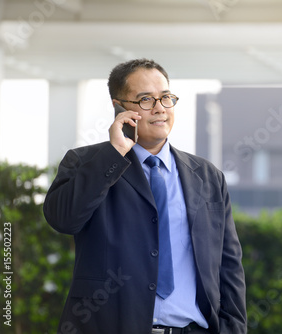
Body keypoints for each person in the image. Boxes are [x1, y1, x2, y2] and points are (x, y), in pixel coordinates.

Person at [43, 58, 247, 334]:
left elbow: (229, 265)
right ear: (119, 108)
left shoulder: (208, 176)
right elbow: (63, 219)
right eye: (146, 100)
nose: (160, 108)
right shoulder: (86, 162)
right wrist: (114, 153)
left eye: (166, 98)